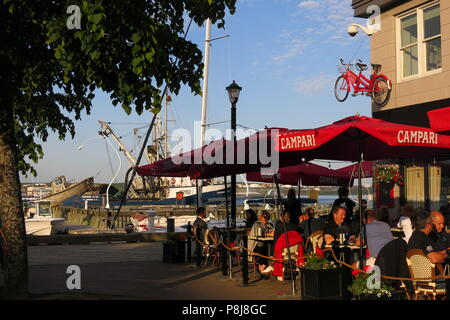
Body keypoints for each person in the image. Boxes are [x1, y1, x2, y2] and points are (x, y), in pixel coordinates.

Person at [248, 210, 275, 276]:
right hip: (256, 245)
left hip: (266, 243)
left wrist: (271, 233)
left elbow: (272, 232)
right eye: (264, 217)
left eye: (268, 217)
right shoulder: (256, 224)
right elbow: (253, 236)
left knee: (271, 247)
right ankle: (262, 265)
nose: (266, 219)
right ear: (260, 217)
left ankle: (269, 266)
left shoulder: (269, 224)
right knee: (262, 248)